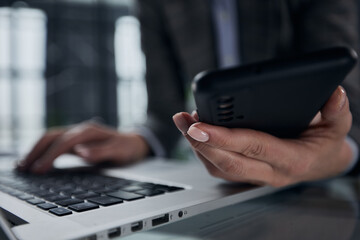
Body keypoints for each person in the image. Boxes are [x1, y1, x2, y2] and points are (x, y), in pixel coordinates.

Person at [18, 0, 360, 187]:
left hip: (320, 189)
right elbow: (164, 112)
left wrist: (339, 154)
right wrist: (139, 140)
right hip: (215, 186)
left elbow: (347, 97)